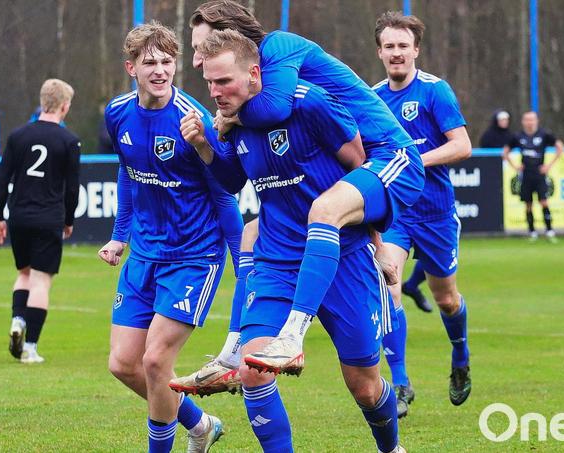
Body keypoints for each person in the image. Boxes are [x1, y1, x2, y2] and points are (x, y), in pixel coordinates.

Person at [183, 29, 405, 453]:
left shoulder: (310, 103)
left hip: (345, 261)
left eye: (223, 82)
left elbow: (360, 172)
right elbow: (232, 180)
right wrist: (205, 146)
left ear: (254, 73)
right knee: (253, 371)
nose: (214, 92)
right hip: (277, 262)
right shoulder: (232, 122)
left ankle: (391, 447)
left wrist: (377, 244)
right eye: (209, 83)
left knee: (364, 384)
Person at [97, 22, 242, 452]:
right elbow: (128, 171)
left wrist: (241, 260)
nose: (160, 71)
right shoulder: (117, 112)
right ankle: (199, 426)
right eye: (150, 63)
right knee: (124, 364)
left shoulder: (193, 121)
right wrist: (120, 236)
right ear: (131, 68)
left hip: (193, 257)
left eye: (167, 62)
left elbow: (224, 196)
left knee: (157, 361)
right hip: (144, 253)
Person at [372, 11, 473, 415]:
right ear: (380, 52)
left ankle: (461, 358)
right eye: (389, 46)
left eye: (403, 46)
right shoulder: (373, 96)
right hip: (395, 213)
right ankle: (400, 385)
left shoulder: (435, 91)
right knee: (387, 288)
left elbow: (462, 145)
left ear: (415, 50)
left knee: (446, 298)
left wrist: (413, 159)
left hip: (435, 214)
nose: (396, 53)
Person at [0, 78, 80, 364]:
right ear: (64, 106)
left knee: (24, 274)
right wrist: (68, 219)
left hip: (19, 216)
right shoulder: (69, 141)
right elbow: (72, 188)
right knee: (41, 282)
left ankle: (18, 319)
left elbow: (3, 181)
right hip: (48, 217)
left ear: (43, 102)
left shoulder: (18, 136)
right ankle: (29, 347)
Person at [502, 111, 564, 242]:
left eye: (532, 120)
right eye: (527, 120)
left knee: (544, 201)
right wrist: (515, 166)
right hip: (526, 175)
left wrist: (548, 166)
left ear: (536, 121)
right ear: (523, 121)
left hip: (540, 174)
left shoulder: (544, 134)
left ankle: (549, 230)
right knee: (528, 204)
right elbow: (505, 152)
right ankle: (532, 231)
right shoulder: (518, 136)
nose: (530, 122)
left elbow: (560, 147)